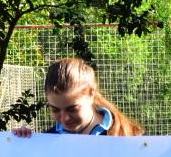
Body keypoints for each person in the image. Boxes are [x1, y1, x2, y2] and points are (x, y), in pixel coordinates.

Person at [12, 57, 143, 137]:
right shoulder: (47, 141)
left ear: (91, 94)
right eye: (55, 110)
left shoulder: (127, 137)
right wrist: (23, 144)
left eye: (72, 109)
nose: (64, 118)